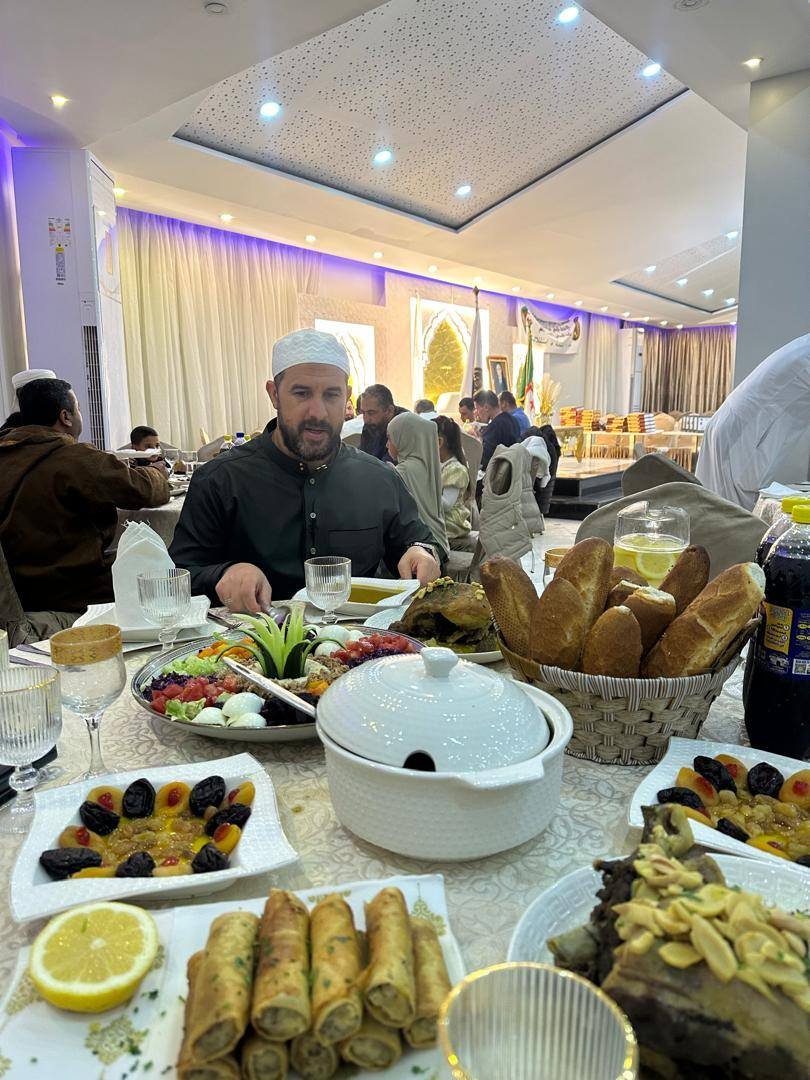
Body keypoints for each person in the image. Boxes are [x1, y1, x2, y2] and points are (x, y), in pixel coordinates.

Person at [170, 329, 440, 612]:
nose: (318, 412)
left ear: (347, 397)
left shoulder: (379, 478)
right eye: (302, 393)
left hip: (361, 638)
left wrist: (421, 553)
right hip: (250, 638)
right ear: (274, 394)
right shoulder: (221, 479)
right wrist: (223, 573)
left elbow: (420, 542)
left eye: (331, 395)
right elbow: (177, 576)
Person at [0, 378, 169, 612]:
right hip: (69, 588)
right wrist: (157, 472)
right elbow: (143, 490)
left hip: (16, 591)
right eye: (78, 408)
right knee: (166, 568)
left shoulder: (7, 454)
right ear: (65, 417)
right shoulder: (72, 457)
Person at [696, 333, 810, 510]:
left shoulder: (804, 346)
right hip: (744, 434)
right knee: (732, 513)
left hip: (737, 426)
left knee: (715, 509)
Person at [386, 412, 449, 561]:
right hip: (439, 542)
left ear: (404, 439)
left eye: (390, 438)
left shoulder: (404, 470)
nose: (387, 444)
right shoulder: (426, 463)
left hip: (423, 546)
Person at [432, 415, 472, 542]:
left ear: (439, 442)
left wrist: (424, 491)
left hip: (449, 522)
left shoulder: (455, 469)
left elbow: (446, 505)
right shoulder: (438, 465)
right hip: (438, 517)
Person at [473, 389, 521, 472]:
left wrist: (478, 439)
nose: (476, 413)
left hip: (499, 474)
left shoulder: (495, 427)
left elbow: (484, 460)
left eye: (477, 409)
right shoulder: (513, 420)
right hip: (514, 469)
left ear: (486, 407)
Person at [359, 383, 407, 461]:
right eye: (363, 413)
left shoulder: (404, 426)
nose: (366, 419)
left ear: (389, 410)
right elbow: (362, 456)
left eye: (371, 413)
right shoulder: (370, 425)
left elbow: (390, 464)